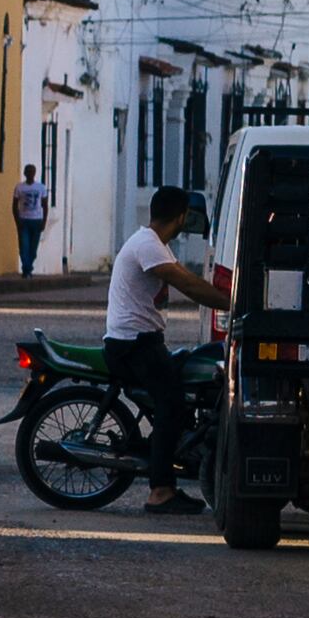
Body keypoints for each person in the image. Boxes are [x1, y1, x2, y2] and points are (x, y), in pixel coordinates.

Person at [104, 186, 223, 510]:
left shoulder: (154, 244)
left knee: (183, 393)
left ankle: (174, 462)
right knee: (170, 404)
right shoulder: (149, 246)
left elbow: (186, 277)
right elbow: (188, 284)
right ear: (181, 216)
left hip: (143, 342)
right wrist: (233, 302)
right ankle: (160, 490)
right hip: (134, 346)